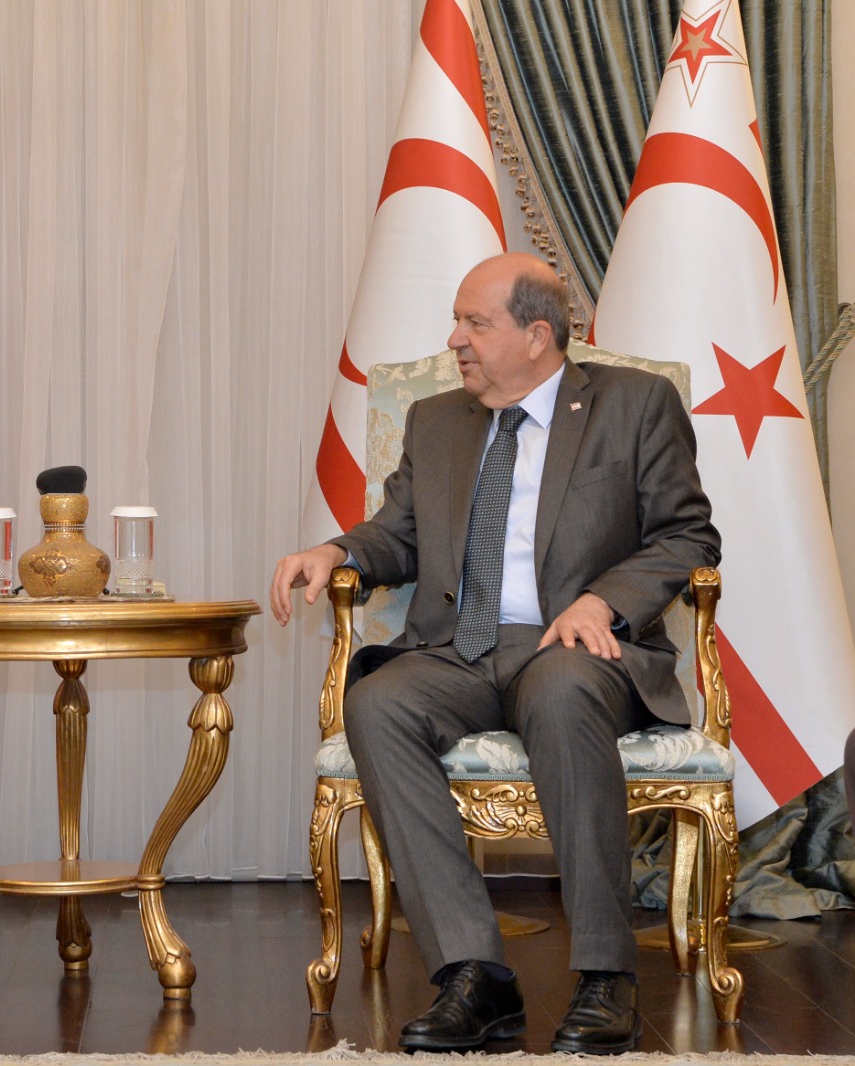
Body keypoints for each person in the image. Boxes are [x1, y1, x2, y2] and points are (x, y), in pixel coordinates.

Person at [271, 253, 720, 1055]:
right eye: (457, 321)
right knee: (377, 702)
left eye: (475, 324)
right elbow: (399, 535)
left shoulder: (632, 405)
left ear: (538, 335)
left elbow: (687, 535)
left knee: (561, 692)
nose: (456, 340)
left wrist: (603, 599)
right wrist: (336, 551)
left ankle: (605, 975)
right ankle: (474, 975)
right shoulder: (437, 420)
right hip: (459, 647)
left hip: (573, 647)